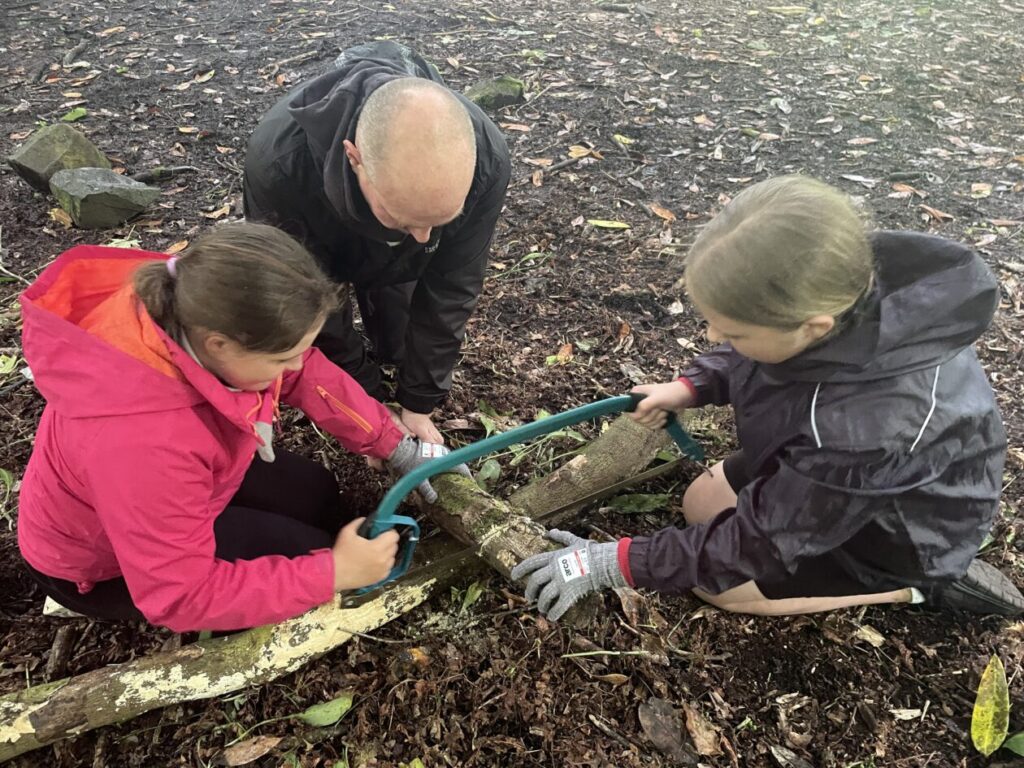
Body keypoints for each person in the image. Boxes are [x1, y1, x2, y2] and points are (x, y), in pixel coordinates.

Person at [512, 175, 1024, 621]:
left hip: (897, 534)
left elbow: (759, 545)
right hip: (828, 478)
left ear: (812, 326)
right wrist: (692, 386)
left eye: (732, 332)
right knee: (699, 503)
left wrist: (610, 563)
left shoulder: (866, 430)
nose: (713, 336)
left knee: (719, 589)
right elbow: (759, 355)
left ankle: (913, 587)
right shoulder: (829, 293)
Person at [17, 223, 466, 633]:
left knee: (317, 491)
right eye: (282, 358)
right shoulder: (142, 444)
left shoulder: (196, 306)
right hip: (102, 563)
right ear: (219, 345)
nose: (295, 366)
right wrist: (333, 572)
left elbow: (304, 373)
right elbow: (183, 596)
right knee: (308, 551)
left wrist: (394, 445)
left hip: (184, 480)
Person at [243, 41, 511, 445]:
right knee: (323, 304)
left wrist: (418, 401)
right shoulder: (279, 168)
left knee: (398, 333)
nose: (424, 238)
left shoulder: (486, 159)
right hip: (318, 220)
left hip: (371, 212)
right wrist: (364, 401)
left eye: (440, 221)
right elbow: (305, 296)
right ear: (355, 159)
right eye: (403, 218)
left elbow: (453, 284)